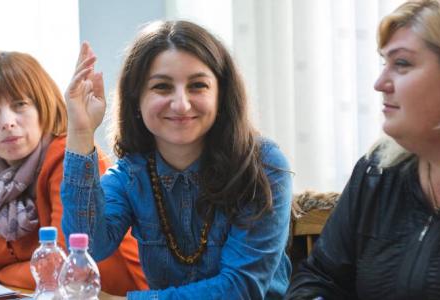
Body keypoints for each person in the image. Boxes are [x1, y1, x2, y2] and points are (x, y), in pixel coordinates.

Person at [61, 20, 293, 299]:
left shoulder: (264, 165)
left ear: (221, 94)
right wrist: (80, 131)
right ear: (137, 99)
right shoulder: (130, 173)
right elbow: (88, 246)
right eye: (162, 87)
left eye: (198, 85)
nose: (181, 104)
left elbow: (241, 287)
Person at [0, 51, 147, 295]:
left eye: (20, 105)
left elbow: (65, 266)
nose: (7, 122)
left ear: (43, 108)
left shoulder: (72, 157)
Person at [286, 0, 440, 299]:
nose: (379, 83)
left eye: (402, 64)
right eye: (384, 63)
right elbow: (320, 277)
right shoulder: (376, 172)